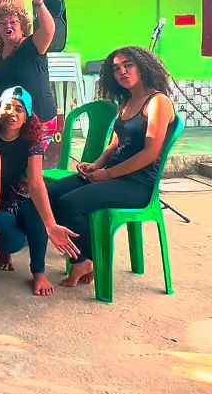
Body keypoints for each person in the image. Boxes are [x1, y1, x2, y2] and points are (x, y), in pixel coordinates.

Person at [47, 47, 176, 290]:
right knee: (51, 193)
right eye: (116, 68)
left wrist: (107, 174)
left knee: (70, 203)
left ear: (143, 67)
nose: (122, 72)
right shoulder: (126, 101)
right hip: (112, 176)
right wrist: (95, 165)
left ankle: (87, 260)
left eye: (128, 65)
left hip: (137, 184)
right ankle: (85, 258)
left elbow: (150, 153)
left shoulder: (158, 102)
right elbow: (115, 143)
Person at [0, 86, 80, 297]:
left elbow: (36, 182)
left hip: (23, 198)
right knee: (12, 241)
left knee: (38, 213)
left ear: (27, 117)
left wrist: (50, 224)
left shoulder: (31, 140)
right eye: (7, 107)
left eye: (19, 109)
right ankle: (5, 250)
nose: (12, 113)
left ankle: (38, 273)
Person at [0, 0, 58, 144]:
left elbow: (48, 30)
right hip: (14, 120)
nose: (8, 26)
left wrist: (38, 2)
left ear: (22, 26)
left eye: (13, 22)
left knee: (31, 158)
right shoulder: (0, 50)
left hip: (39, 118)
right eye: (2, 23)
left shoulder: (33, 44)